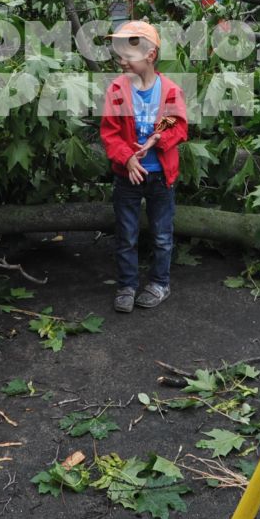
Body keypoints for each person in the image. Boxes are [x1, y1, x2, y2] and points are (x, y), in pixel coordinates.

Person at [99, 20, 188, 313]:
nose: (121, 61)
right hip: (128, 177)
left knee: (162, 234)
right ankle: (127, 284)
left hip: (161, 176)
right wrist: (127, 157)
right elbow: (110, 133)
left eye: (128, 56)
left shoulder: (170, 90)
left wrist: (158, 137)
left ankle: (160, 283)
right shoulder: (116, 88)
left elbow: (177, 123)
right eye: (120, 55)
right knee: (126, 234)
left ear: (150, 56)